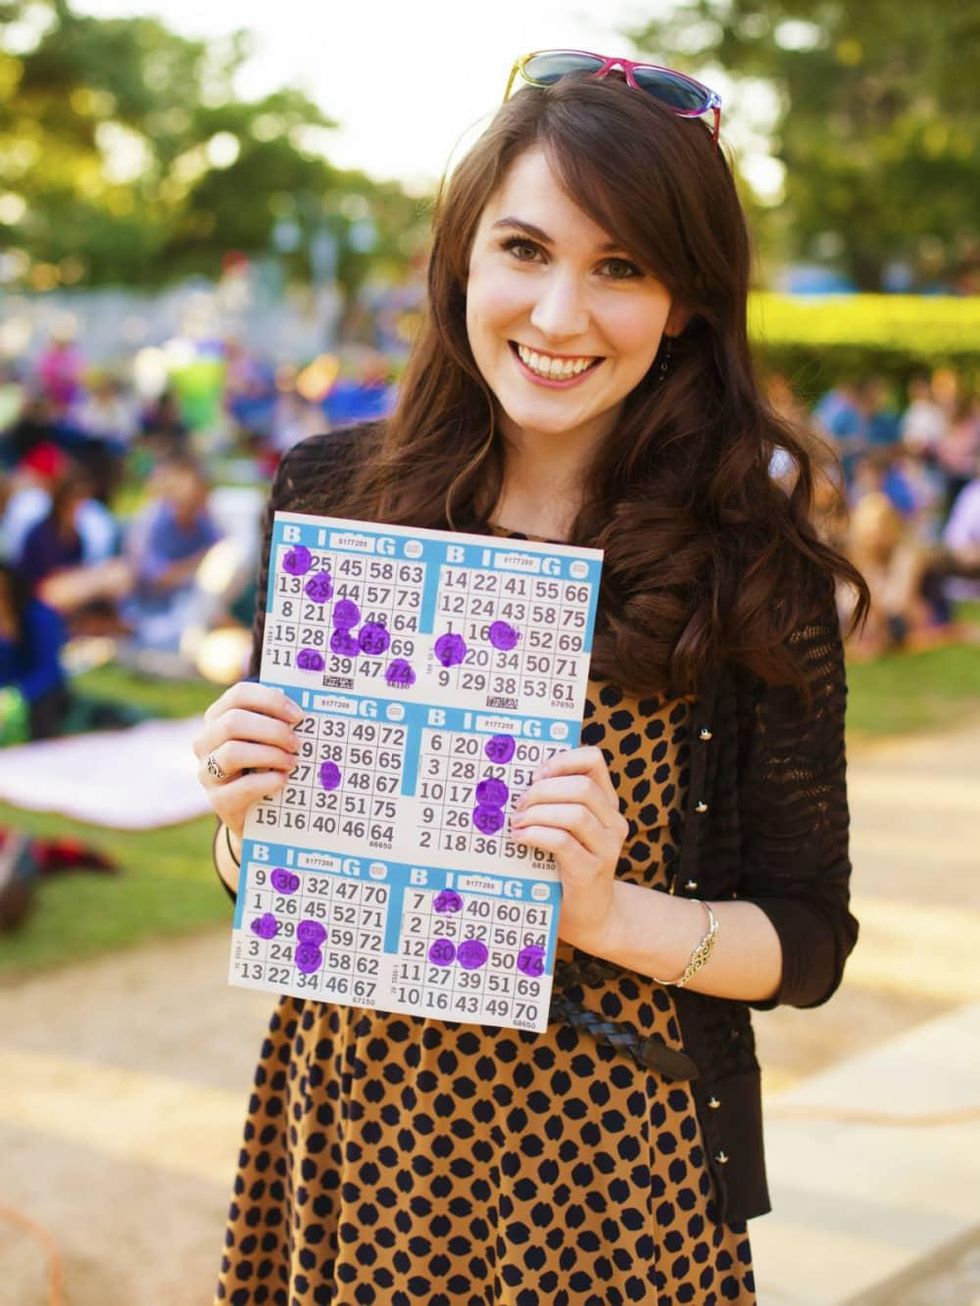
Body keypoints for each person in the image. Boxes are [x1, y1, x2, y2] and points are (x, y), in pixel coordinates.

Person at [195, 52, 868, 1305]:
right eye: (524, 249)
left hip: (612, 1176)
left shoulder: (747, 568)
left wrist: (610, 916)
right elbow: (265, 883)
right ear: (461, 262)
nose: (558, 316)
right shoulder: (336, 493)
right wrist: (246, 824)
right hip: (357, 1138)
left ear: (683, 304)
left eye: (620, 267)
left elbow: (807, 940)